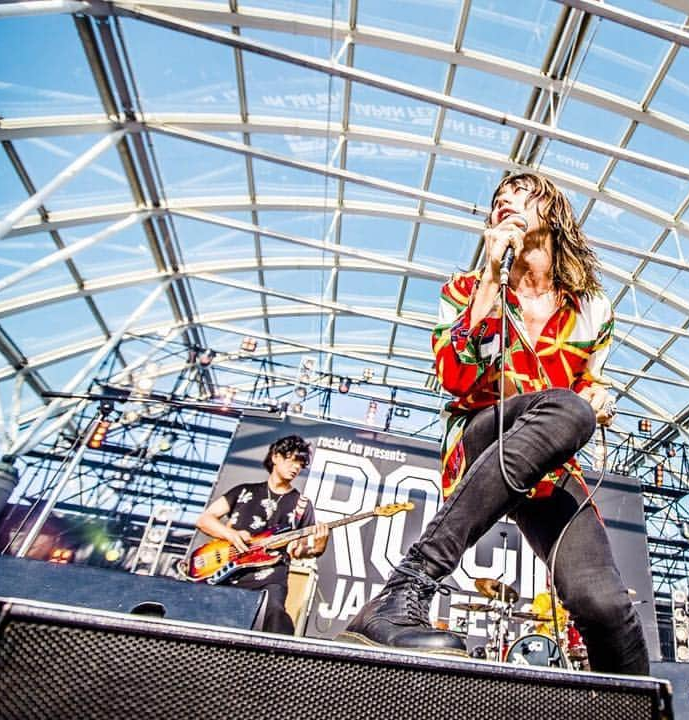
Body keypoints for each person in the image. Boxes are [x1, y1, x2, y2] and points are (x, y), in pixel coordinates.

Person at [340, 172, 649, 675]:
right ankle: (404, 589)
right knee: (567, 410)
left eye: (520, 198)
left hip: (547, 462)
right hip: (480, 433)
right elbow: (454, 377)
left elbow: (589, 382)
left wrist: (597, 395)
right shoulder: (464, 289)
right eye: (497, 202)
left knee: (606, 603)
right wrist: (489, 279)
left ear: (552, 214)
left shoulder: (592, 308)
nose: (504, 204)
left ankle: (634, 708)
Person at [196, 434, 329, 634]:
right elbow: (204, 520)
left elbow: (296, 550)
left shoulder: (302, 505)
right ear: (276, 457)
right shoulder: (243, 491)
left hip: (270, 578)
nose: (296, 468)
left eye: (300, 464)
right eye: (291, 460)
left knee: (275, 618)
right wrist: (230, 535)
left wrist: (318, 547)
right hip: (228, 572)